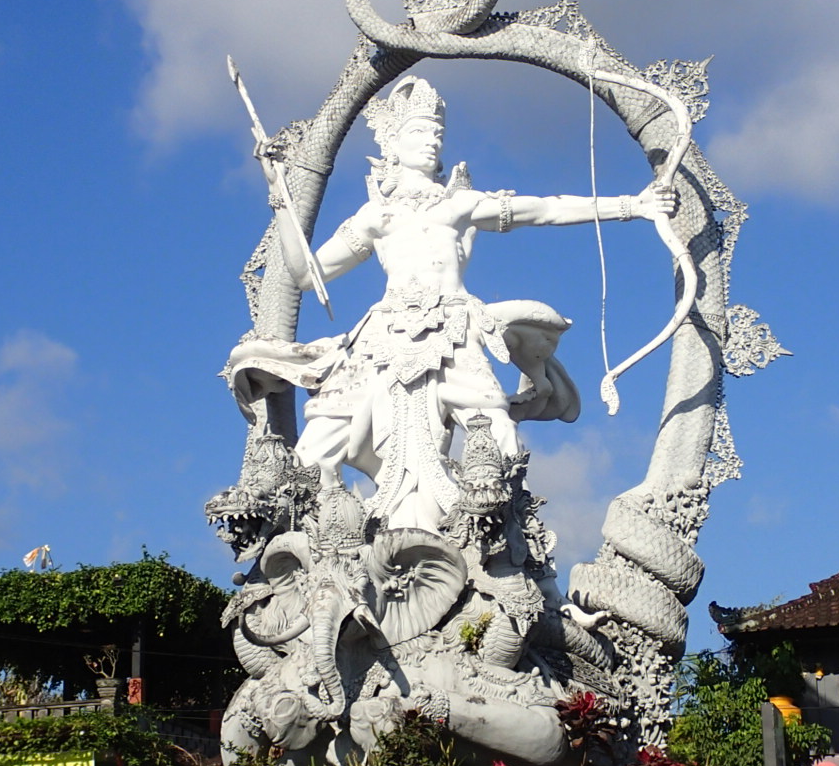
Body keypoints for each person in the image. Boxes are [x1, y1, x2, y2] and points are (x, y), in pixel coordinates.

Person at [227, 75, 677, 532]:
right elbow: (306, 274)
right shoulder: (375, 216)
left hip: (453, 333)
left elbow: (543, 210)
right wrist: (280, 200)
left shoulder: (458, 205)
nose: (432, 141)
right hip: (382, 339)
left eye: (436, 134)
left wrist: (633, 205)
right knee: (317, 446)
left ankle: (508, 548)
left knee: (499, 436)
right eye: (419, 133)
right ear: (393, 144)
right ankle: (319, 550)